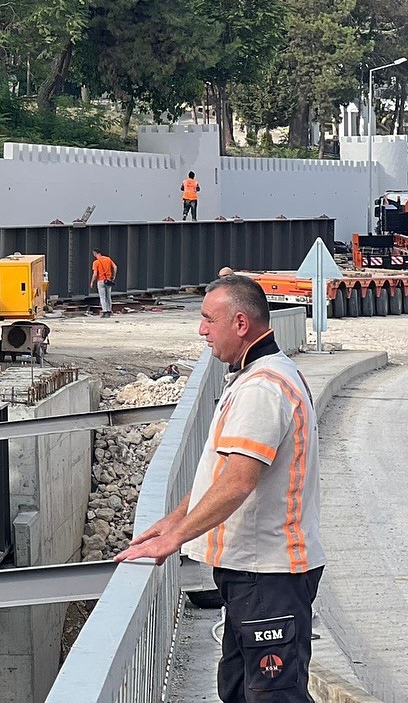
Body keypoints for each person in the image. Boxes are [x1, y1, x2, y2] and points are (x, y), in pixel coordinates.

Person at [116, 274, 323, 703]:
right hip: (254, 577)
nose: (201, 330)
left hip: (269, 576)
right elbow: (221, 473)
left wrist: (174, 539)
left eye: (209, 319)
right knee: (239, 690)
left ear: (241, 323)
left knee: (272, 696)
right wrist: (170, 522)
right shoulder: (255, 377)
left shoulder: (264, 387)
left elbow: (238, 480)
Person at [90, 249, 117, 318]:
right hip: (108, 281)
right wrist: (113, 276)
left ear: (94, 253)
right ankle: (109, 311)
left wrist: (92, 282)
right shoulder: (108, 259)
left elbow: (95, 274)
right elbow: (115, 267)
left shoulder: (96, 262)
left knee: (102, 297)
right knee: (108, 296)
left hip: (101, 281)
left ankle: (105, 312)